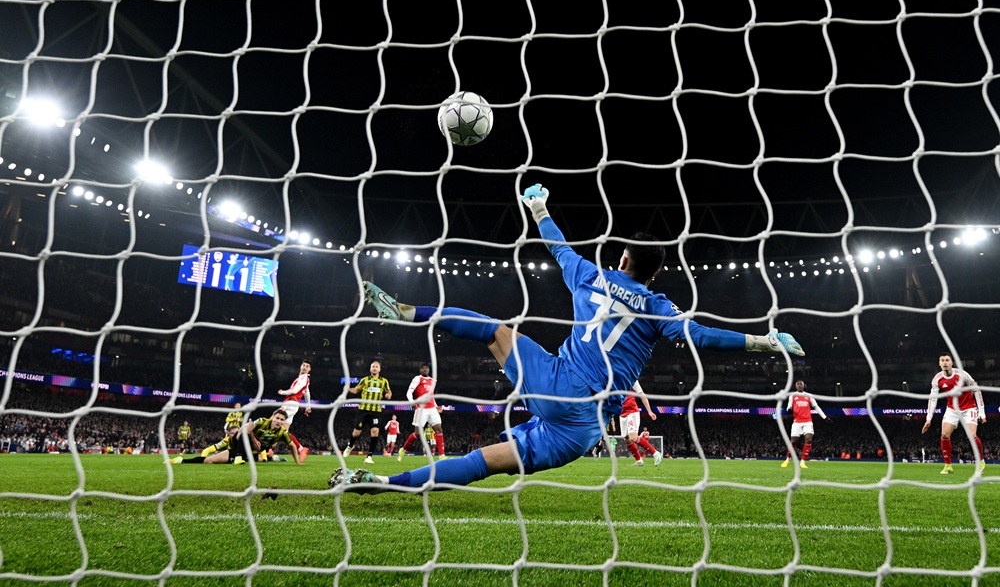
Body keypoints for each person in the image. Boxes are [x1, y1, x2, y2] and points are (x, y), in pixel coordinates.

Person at [329, 183, 804, 493]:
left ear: (621, 259)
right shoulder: (660, 307)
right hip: (583, 430)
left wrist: (539, 208)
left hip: (559, 383)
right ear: (655, 273)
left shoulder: (591, 276)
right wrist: (766, 342)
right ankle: (383, 483)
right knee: (483, 462)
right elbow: (702, 337)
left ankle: (412, 313)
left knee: (495, 331)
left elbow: (559, 248)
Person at [921, 352, 987, 475]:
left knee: (971, 436)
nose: (945, 362)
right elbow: (933, 398)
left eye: (947, 360)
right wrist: (928, 418)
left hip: (969, 408)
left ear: (952, 363)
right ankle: (948, 466)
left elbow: (976, 390)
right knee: (944, 435)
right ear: (939, 363)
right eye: (942, 360)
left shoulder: (962, 375)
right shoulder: (937, 379)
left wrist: (982, 412)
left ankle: (981, 462)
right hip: (952, 409)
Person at [173, 408, 303, 466]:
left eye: (282, 419)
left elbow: (292, 445)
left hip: (249, 452)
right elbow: (247, 429)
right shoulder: (263, 421)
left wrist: (297, 462)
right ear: (273, 417)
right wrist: (254, 438)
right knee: (244, 428)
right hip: (239, 444)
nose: (279, 421)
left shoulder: (282, 433)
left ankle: (181, 460)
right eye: (277, 418)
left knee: (210, 461)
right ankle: (239, 457)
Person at [343, 358, 393, 464]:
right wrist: (348, 388)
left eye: (376, 366)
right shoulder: (365, 380)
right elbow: (356, 390)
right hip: (363, 410)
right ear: (370, 369)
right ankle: (350, 446)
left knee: (375, 433)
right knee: (356, 433)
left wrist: (388, 395)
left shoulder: (384, 381)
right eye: (373, 366)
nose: (374, 368)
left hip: (376, 411)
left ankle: (369, 456)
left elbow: (389, 391)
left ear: (379, 369)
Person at [396, 362, 447, 461]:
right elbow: (409, 392)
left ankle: (442, 455)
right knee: (418, 433)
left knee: (439, 429)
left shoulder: (432, 381)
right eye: (423, 368)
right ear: (420, 370)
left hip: (432, 408)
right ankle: (403, 449)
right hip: (421, 409)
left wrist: (436, 406)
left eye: (427, 368)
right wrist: (412, 401)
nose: (425, 370)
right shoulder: (417, 379)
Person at [780, 379, 831, 469]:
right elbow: (789, 407)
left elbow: (816, 406)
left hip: (807, 421)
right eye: (798, 384)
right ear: (796, 386)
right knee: (793, 442)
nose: (799, 385)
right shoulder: (792, 396)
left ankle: (802, 462)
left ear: (804, 386)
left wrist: (824, 417)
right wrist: (789, 410)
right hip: (797, 422)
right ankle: (788, 459)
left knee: (809, 440)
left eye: (801, 384)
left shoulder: (809, 396)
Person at [620, 381, 662, 467]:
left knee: (633, 437)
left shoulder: (632, 378)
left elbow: (642, 395)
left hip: (632, 412)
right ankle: (639, 460)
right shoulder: (612, 381)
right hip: (622, 414)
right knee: (627, 439)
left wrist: (649, 411)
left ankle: (655, 453)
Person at [277, 359, 313, 461]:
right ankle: (301, 449)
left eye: (307, 366)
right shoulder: (302, 379)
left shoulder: (303, 378)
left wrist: (282, 392)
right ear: (301, 367)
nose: (305, 367)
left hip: (290, 403)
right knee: (284, 431)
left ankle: (266, 450)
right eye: (304, 365)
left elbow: (295, 390)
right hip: (293, 405)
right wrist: (308, 406)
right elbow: (307, 393)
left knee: (274, 422)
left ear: (309, 369)